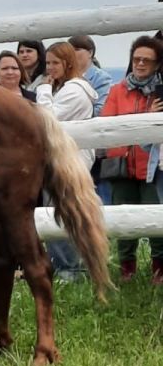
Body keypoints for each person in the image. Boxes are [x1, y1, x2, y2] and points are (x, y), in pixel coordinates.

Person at [101, 35, 163, 283]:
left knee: (156, 220)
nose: (139, 64)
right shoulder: (117, 90)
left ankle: (159, 271)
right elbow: (105, 125)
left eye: (146, 61)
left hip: (152, 168)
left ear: (157, 64)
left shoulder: (160, 93)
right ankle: (127, 271)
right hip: (122, 166)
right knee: (124, 220)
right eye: (136, 59)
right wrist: (143, 119)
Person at [36, 41, 97, 282]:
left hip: (69, 161)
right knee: (58, 210)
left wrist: (43, 91)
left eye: (55, 63)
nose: (49, 68)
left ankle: (69, 269)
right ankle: (65, 266)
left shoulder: (74, 90)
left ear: (67, 63)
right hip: (63, 159)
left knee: (62, 212)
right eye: (48, 63)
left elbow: (48, 119)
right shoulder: (66, 87)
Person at [68, 35, 112, 116]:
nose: (72, 54)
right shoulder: (64, 75)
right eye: (69, 50)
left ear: (90, 53)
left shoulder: (102, 78)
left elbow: (100, 110)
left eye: (76, 49)